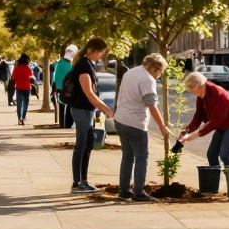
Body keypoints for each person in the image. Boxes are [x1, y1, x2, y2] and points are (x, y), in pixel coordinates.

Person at [114, 53, 173, 201]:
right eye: (160, 72)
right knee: (141, 156)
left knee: (127, 156)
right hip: (135, 122)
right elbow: (151, 106)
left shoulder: (131, 72)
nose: (159, 75)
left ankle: (124, 190)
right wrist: (162, 127)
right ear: (155, 68)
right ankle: (138, 191)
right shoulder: (147, 79)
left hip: (121, 118)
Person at [68, 38, 115, 193]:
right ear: (93, 50)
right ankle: (78, 182)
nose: (101, 56)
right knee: (82, 144)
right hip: (81, 109)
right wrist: (106, 108)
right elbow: (88, 92)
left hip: (87, 110)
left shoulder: (87, 64)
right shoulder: (83, 65)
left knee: (87, 143)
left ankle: (83, 180)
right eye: (101, 52)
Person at [178, 71, 229, 167]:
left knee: (225, 155)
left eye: (192, 90)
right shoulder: (201, 95)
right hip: (222, 125)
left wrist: (197, 134)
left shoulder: (218, 94)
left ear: (199, 86)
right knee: (212, 155)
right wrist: (186, 131)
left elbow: (215, 123)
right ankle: (214, 180)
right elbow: (198, 117)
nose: (191, 92)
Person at [54, 45, 78, 129]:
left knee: (62, 107)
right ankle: (65, 124)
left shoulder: (60, 63)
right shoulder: (68, 65)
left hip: (60, 88)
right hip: (65, 89)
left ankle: (63, 124)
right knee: (66, 107)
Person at [12, 53, 34, 125]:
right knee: (25, 103)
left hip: (18, 87)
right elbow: (31, 77)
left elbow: (14, 78)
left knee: (19, 103)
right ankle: (23, 116)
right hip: (27, 87)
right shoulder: (28, 68)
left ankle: (19, 118)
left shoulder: (16, 68)